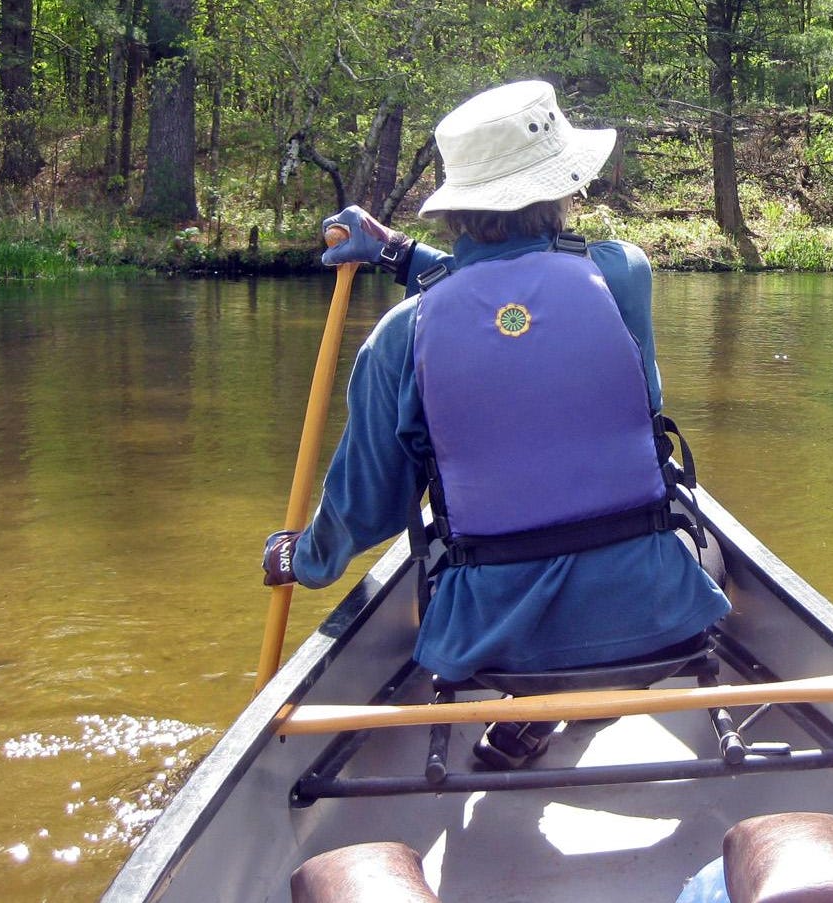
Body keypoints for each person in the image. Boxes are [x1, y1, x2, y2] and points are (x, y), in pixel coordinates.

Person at [261, 80, 730, 769]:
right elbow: (528, 302)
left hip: (490, 646)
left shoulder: (398, 338)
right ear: (564, 186)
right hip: (656, 618)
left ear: (460, 206)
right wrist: (398, 255)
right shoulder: (623, 275)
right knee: (702, 538)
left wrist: (300, 558)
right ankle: (574, 701)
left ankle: (533, 707)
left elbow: (369, 508)